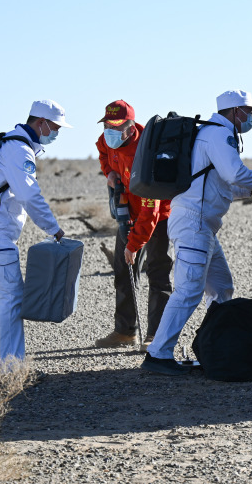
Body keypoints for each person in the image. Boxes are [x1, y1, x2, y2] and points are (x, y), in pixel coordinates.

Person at [141, 89, 252, 375]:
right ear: (234, 111)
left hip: (202, 226)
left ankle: (216, 345)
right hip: (194, 224)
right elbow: (235, 174)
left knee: (220, 288)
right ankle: (158, 355)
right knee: (189, 290)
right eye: (248, 112)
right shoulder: (220, 135)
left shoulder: (210, 134)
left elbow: (223, 186)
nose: (250, 118)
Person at [0, 100, 70, 364]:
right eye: (55, 127)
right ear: (40, 122)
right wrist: (54, 229)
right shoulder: (19, 150)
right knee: (12, 299)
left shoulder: (12, 143)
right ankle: (12, 369)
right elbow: (29, 194)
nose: (57, 133)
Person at [94, 99, 173, 350]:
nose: (111, 132)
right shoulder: (107, 140)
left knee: (157, 273)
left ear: (131, 126)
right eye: (108, 125)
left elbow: (152, 211)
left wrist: (134, 244)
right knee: (122, 271)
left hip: (158, 217)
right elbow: (104, 153)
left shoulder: (145, 152)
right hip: (127, 213)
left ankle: (156, 335)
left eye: (117, 127)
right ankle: (125, 331)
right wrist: (109, 173)